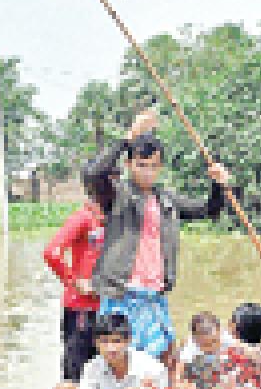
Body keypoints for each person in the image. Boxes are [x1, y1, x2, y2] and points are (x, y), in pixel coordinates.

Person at [83, 109, 231, 368]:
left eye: (153, 166)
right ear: (129, 165)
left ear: (160, 167)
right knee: (119, 365)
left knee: (162, 363)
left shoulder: (166, 200)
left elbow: (209, 210)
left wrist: (219, 185)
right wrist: (130, 136)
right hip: (121, 294)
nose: (147, 172)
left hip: (154, 297)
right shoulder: (117, 195)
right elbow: (95, 174)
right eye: (141, 165)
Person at [42, 182, 106, 386]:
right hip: (81, 306)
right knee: (76, 371)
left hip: (108, 307)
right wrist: (74, 282)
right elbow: (52, 252)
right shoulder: (83, 218)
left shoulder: (113, 220)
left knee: (104, 369)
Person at [172, 311, 222, 388]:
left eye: (214, 341)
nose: (212, 348)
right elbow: (177, 378)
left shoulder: (228, 339)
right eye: (206, 345)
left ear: (219, 332)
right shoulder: (189, 349)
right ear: (195, 340)